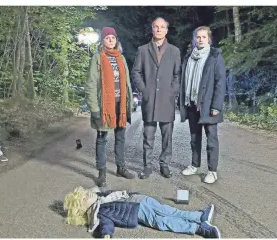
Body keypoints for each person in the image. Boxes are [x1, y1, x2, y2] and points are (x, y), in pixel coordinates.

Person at [63, 186, 221, 238]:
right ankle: (199, 226)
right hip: (138, 210)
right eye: (85, 197)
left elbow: (118, 193)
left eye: (86, 194)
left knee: (167, 214)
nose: (89, 195)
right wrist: (107, 234)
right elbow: (106, 224)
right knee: (165, 218)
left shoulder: (101, 197)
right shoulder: (99, 213)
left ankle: (199, 218)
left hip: (139, 201)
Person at [84, 27, 135, 187]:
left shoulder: (121, 58)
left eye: (113, 37)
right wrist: (94, 109)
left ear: (116, 40)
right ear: (103, 40)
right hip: (105, 106)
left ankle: (121, 167)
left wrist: (129, 103)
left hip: (120, 105)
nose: (111, 40)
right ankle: (102, 173)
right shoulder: (97, 58)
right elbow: (91, 84)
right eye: (108, 38)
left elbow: (126, 83)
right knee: (102, 139)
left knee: (120, 138)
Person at [131, 17, 181, 179]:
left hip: (166, 101)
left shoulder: (174, 51)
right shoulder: (143, 50)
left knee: (167, 136)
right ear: (152, 29)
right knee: (148, 136)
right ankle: (147, 166)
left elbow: (177, 75)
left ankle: (164, 164)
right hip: (149, 101)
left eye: (162, 27)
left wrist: (172, 91)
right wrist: (144, 91)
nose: (159, 29)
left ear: (166, 30)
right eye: (156, 27)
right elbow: (135, 72)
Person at [178, 26, 226, 184]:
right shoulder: (189, 57)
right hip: (192, 103)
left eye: (203, 37)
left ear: (209, 39)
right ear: (194, 39)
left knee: (211, 139)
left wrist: (216, 106)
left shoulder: (214, 56)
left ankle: (212, 171)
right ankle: (194, 165)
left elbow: (220, 83)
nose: (200, 39)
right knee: (194, 137)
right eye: (197, 37)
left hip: (209, 106)